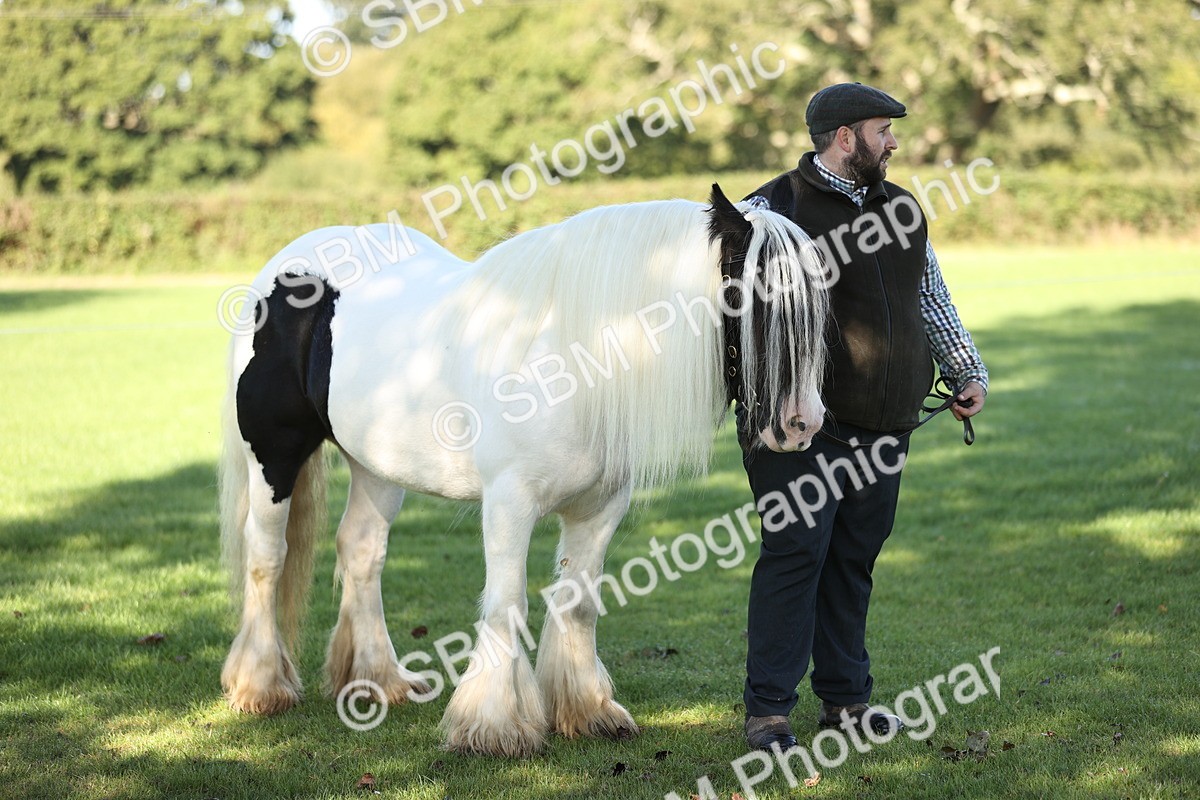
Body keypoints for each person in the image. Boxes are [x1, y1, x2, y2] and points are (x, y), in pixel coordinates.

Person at [737, 82, 988, 751]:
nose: (894, 142)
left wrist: (965, 368)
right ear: (846, 137)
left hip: (886, 422)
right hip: (796, 427)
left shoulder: (902, 207)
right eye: (884, 130)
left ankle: (846, 703)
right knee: (797, 554)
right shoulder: (769, 209)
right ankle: (768, 714)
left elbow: (929, 292)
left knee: (853, 558)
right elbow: (727, 315)